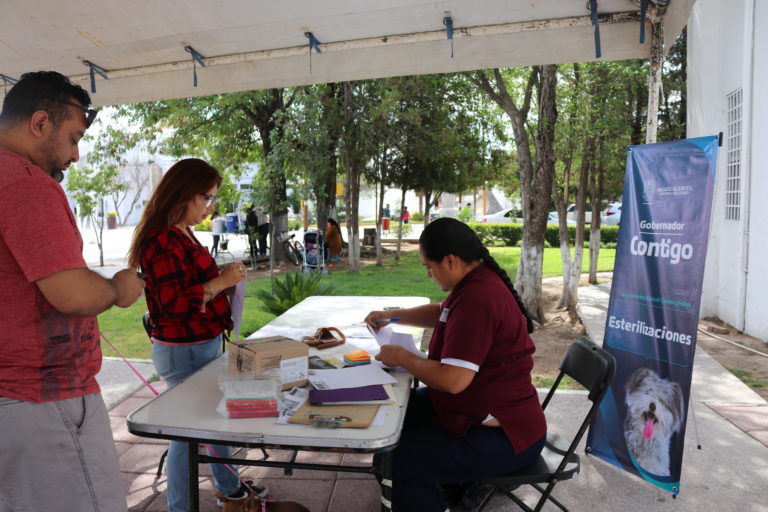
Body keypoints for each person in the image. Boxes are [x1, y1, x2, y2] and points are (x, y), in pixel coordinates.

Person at [0, 71, 145, 511]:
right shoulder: (25, 183)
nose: (75, 156)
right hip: (44, 400)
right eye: (74, 138)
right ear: (40, 123)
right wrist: (121, 288)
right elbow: (73, 294)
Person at [364, 218, 546, 511]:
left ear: (450, 260)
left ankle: (425, 494)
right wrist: (394, 315)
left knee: (397, 460)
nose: (428, 274)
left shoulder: (479, 297)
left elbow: (453, 380)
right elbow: (442, 313)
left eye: (429, 267)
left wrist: (401, 357)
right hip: (477, 412)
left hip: (506, 436)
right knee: (392, 413)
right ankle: (435, 491)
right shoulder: (474, 283)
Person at [127, 158, 268, 512]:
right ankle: (181, 506)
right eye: (206, 197)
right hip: (183, 348)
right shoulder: (160, 239)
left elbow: (188, 283)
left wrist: (221, 275)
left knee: (210, 423)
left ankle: (230, 488)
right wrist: (221, 282)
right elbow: (174, 304)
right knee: (184, 435)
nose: (211, 206)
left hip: (199, 343)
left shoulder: (181, 232)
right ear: (184, 194)